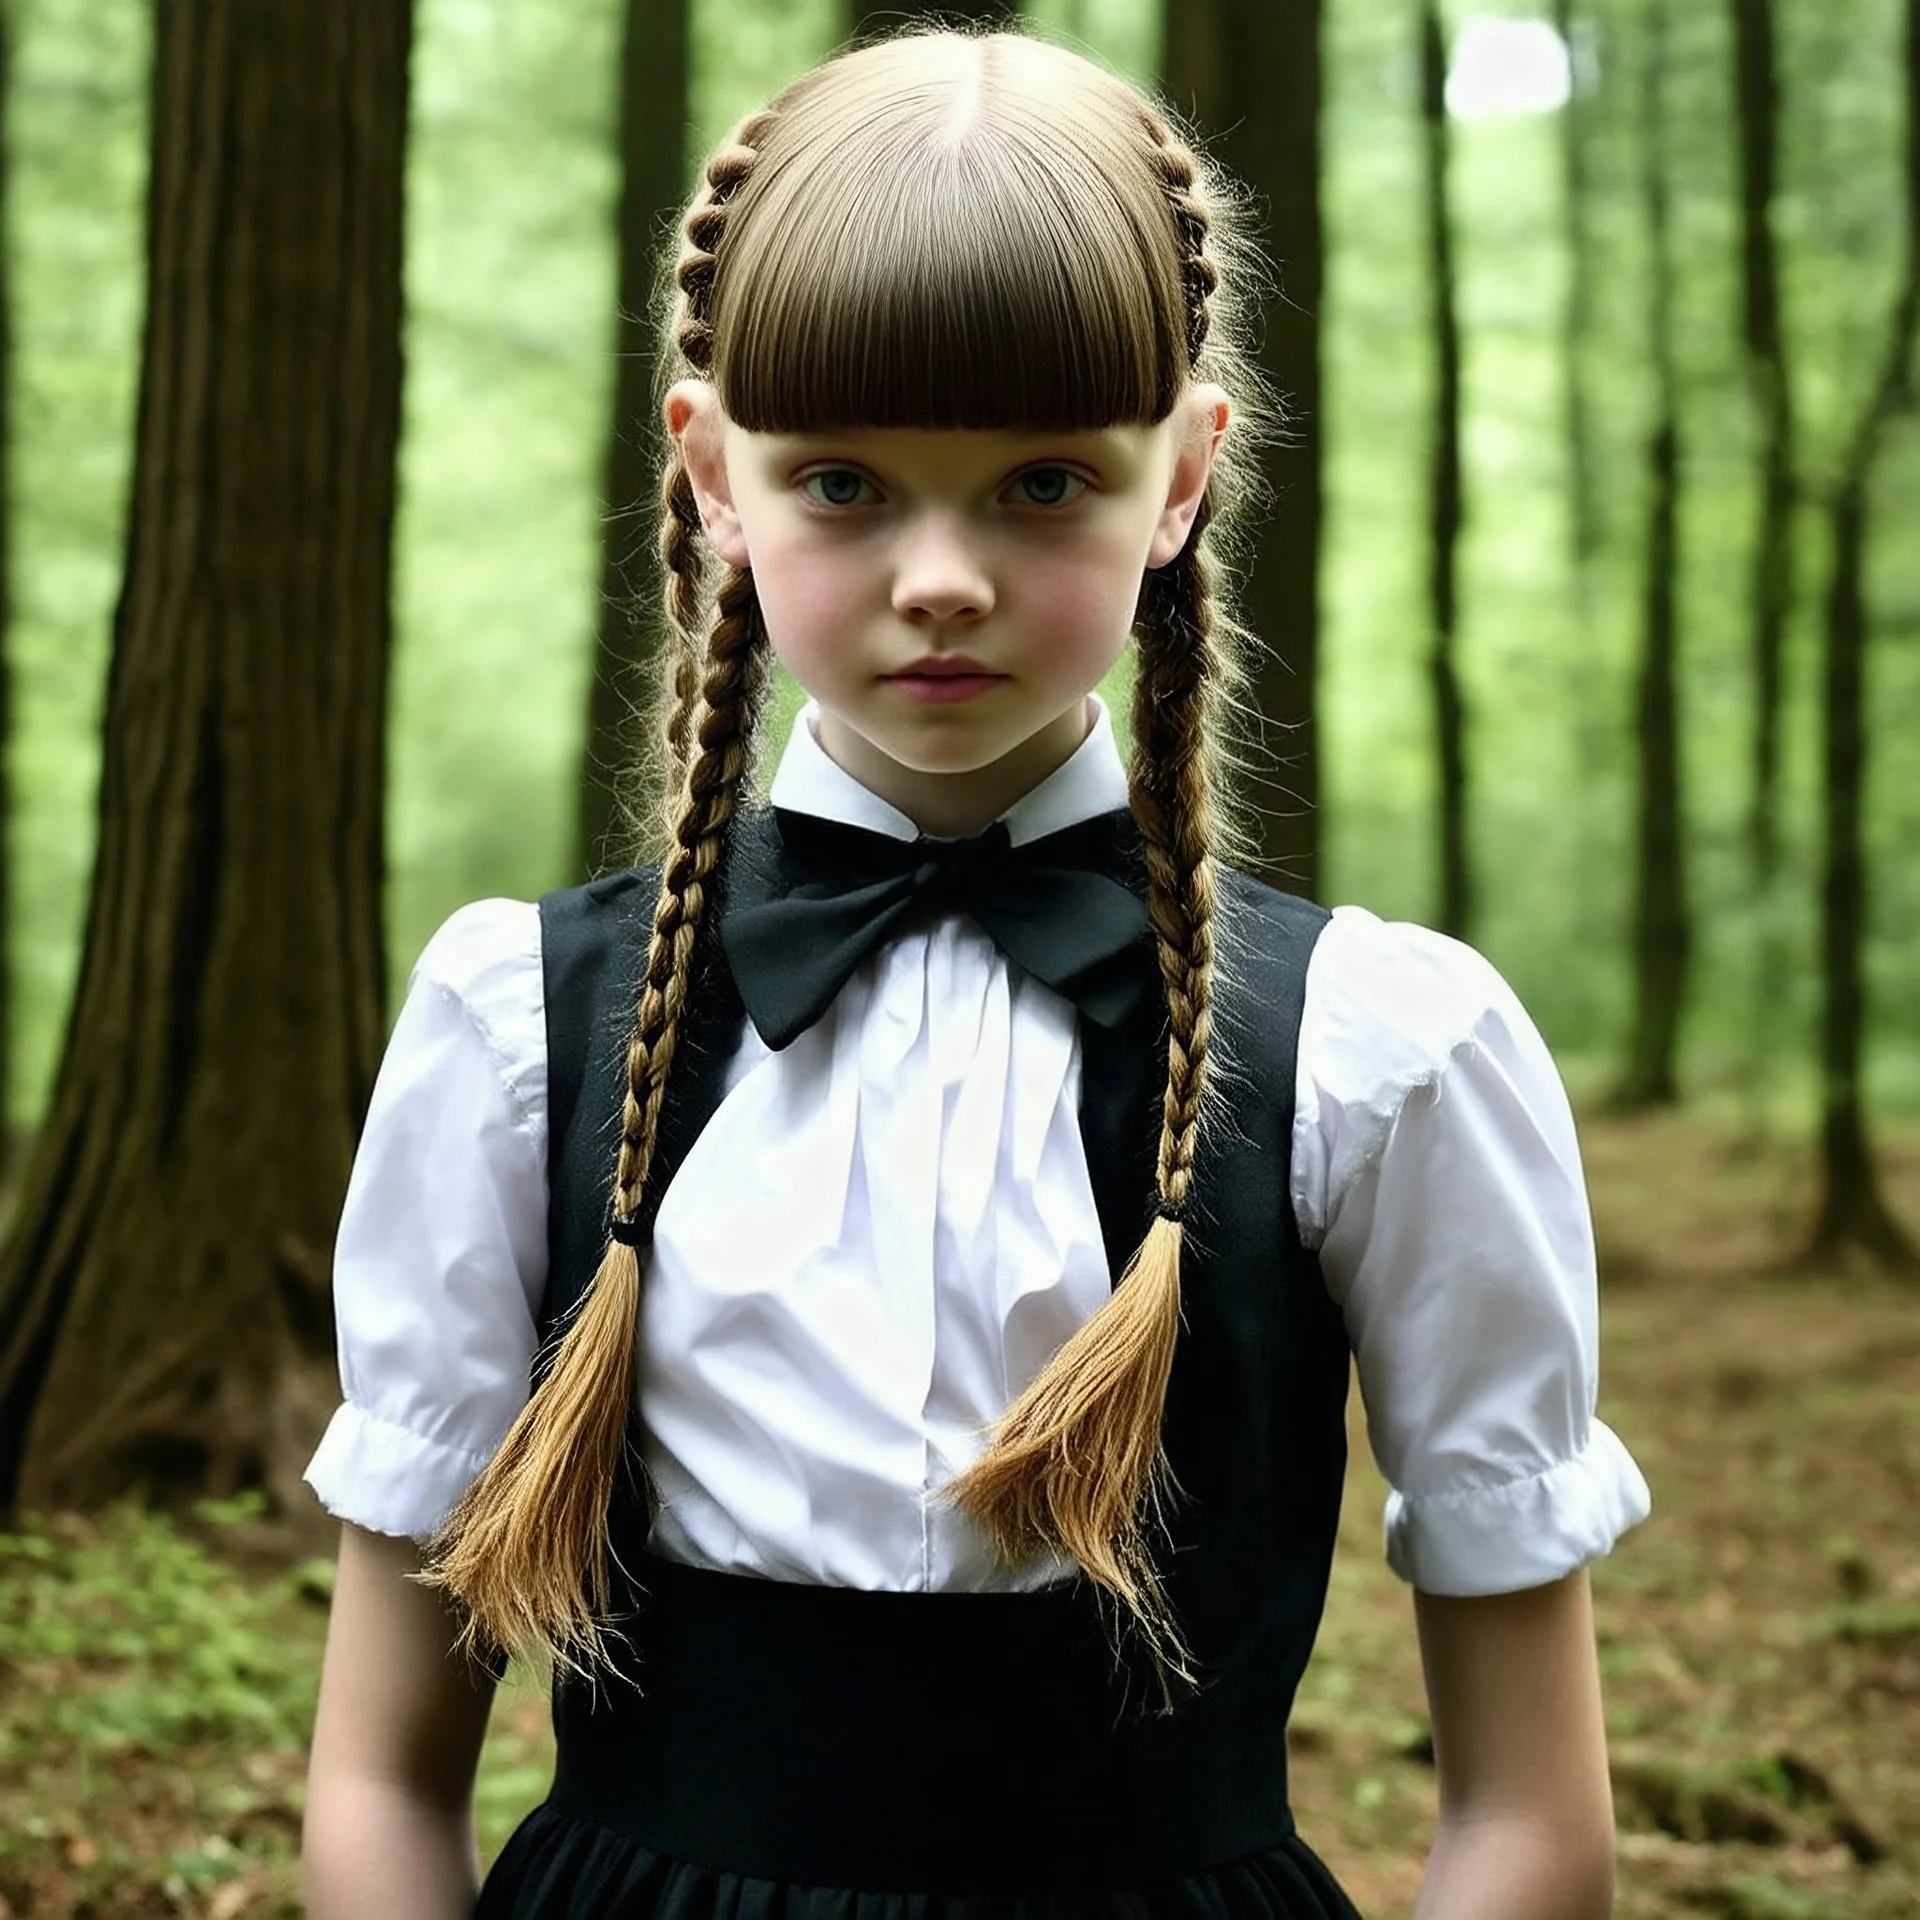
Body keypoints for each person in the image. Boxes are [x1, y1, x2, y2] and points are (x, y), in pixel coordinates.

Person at [300, 24, 1650, 1920]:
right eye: (844, 482)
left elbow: (1528, 1813)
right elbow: (376, 1778)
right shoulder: (519, 1035)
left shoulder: (1385, 1055)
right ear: (710, 473)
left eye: (1040, 484)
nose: (943, 575)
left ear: (1182, 476)